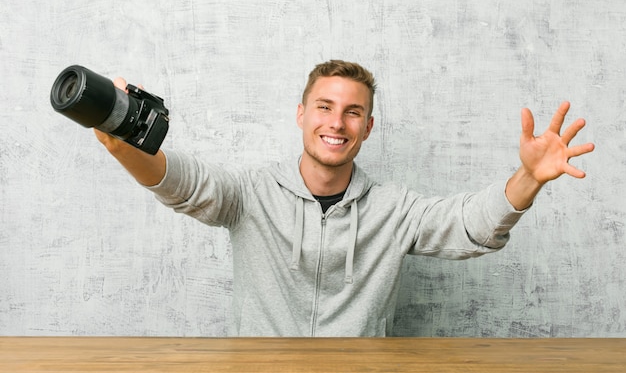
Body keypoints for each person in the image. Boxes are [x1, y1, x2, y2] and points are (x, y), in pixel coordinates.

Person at [94, 60, 595, 337]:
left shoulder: (395, 210)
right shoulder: (250, 195)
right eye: (325, 107)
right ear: (301, 114)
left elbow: (471, 226)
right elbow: (184, 184)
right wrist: (123, 142)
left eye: (353, 112)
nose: (337, 123)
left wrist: (528, 176)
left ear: (368, 127)